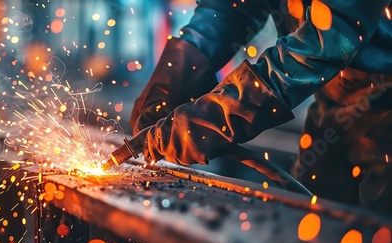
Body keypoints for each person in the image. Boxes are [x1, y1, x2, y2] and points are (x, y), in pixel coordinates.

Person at [130, 0, 392, 214]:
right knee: (312, 231)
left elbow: (328, 41)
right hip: (332, 104)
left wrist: (218, 115)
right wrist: (180, 67)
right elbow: (231, 8)